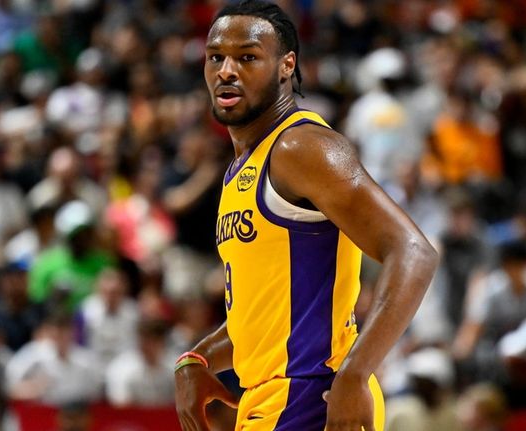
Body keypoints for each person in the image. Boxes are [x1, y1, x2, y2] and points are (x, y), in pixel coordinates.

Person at [173, 2, 438, 431]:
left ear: (286, 65)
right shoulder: (241, 169)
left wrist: (354, 374)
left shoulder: (302, 148)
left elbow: (412, 251)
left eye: (247, 57)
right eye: (216, 56)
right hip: (273, 400)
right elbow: (265, 317)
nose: (226, 70)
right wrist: (197, 357)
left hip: (311, 396)